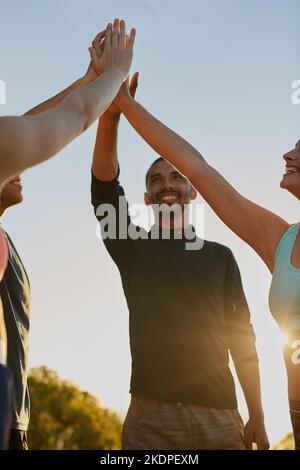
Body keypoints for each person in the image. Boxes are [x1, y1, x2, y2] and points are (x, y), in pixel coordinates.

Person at [110, 73, 300, 450]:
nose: (288, 154)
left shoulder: (225, 257)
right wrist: (124, 105)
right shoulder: (281, 240)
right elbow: (197, 167)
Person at [0, 18, 136, 449]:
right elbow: (70, 118)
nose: (20, 167)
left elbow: (27, 125)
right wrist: (115, 73)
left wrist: (88, 79)